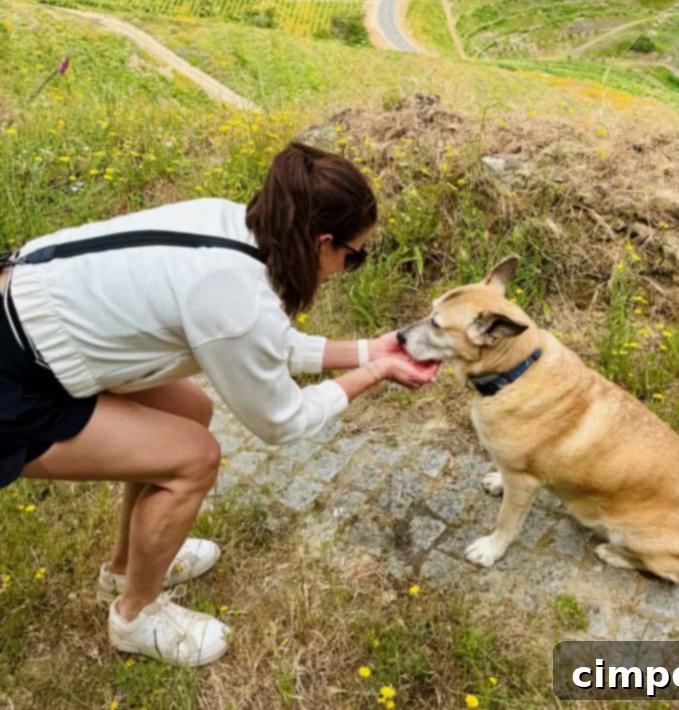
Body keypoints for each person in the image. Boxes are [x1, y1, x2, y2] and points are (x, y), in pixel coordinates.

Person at [0, 141, 439, 666]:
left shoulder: (226, 222)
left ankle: (126, 567)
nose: (348, 267)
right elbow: (282, 421)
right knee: (195, 457)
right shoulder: (233, 294)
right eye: (355, 256)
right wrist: (373, 373)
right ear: (323, 242)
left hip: (28, 330)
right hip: (13, 387)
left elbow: (261, 341)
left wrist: (371, 349)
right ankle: (135, 616)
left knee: (187, 414)